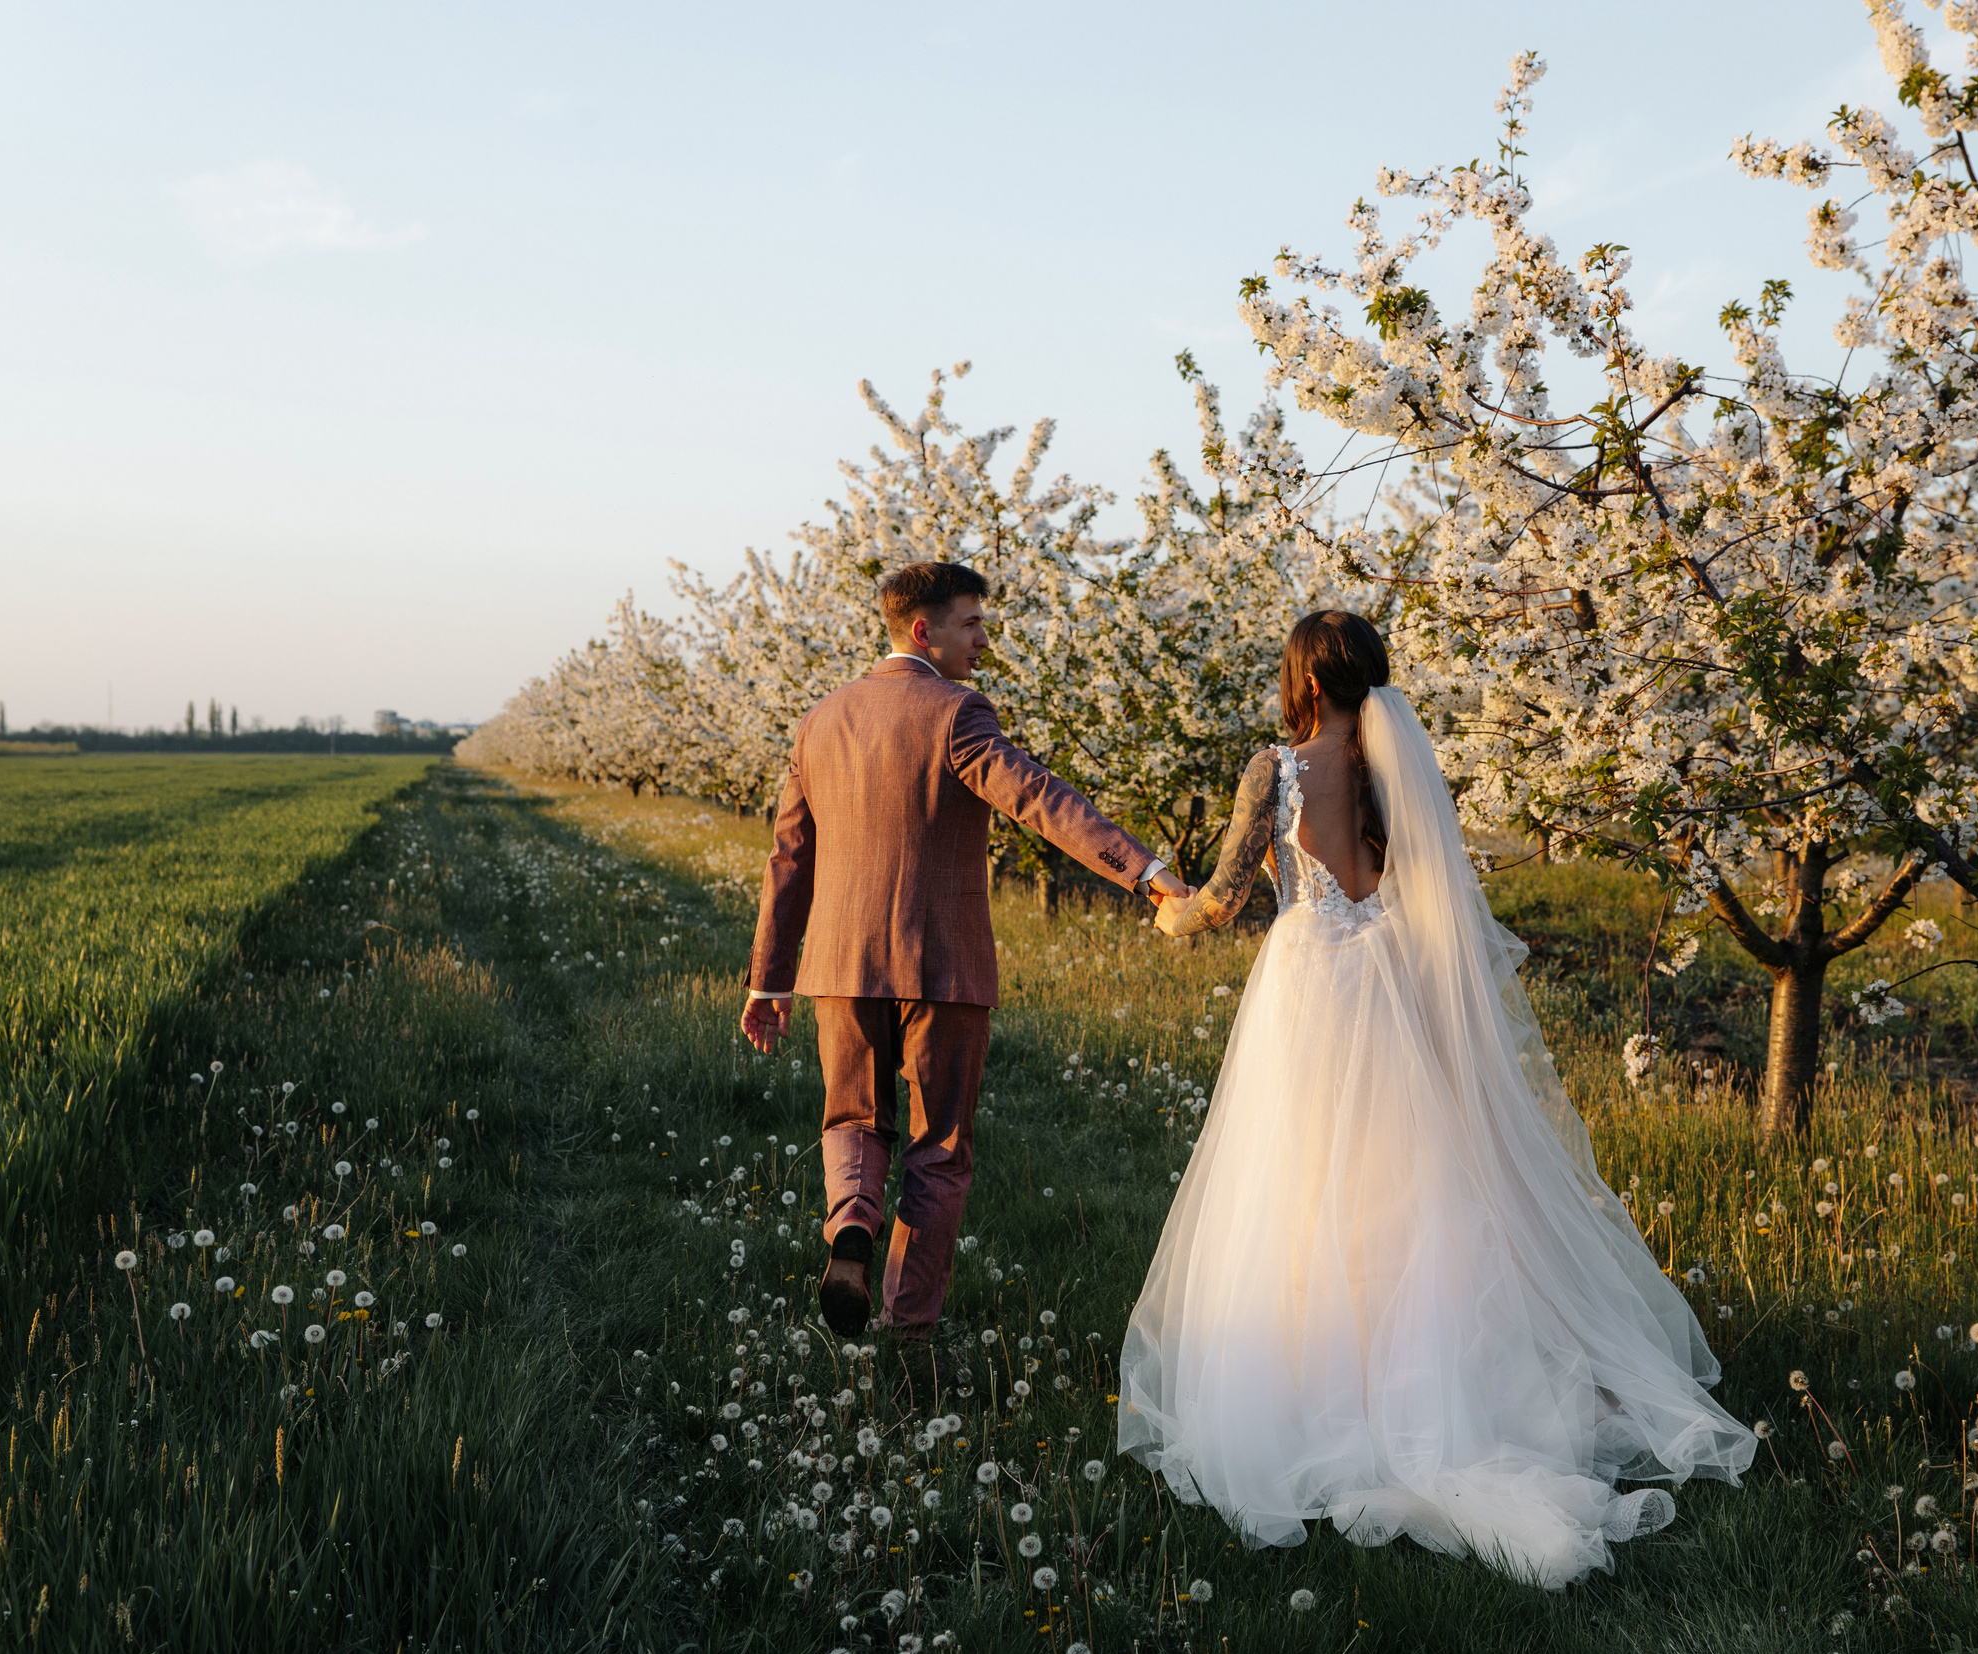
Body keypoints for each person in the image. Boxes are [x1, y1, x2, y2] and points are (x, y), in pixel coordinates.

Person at [1118, 610, 1752, 1587]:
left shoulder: (1274, 769)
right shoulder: (1396, 769)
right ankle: (1444, 1377)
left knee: (1299, 1189)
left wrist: (1170, 912)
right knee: (1409, 1188)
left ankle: (1316, 1381)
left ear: (1305, 685)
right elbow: (1433, 899)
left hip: (1311, 993)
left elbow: (1227, 894)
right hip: (1394, 982)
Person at [741, 560, 1190, 1352]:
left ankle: (851, 1225)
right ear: (925, 629)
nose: (983, 640)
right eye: (972, 624)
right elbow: (1040, 798)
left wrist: (769, 980)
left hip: (840, 966)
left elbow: (788, 859)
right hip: (942, 965)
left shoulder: (820, 720)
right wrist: (1144, 871)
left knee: (851, 1117)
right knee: (939, 1147)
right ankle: (907, 1325)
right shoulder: (956, 713)